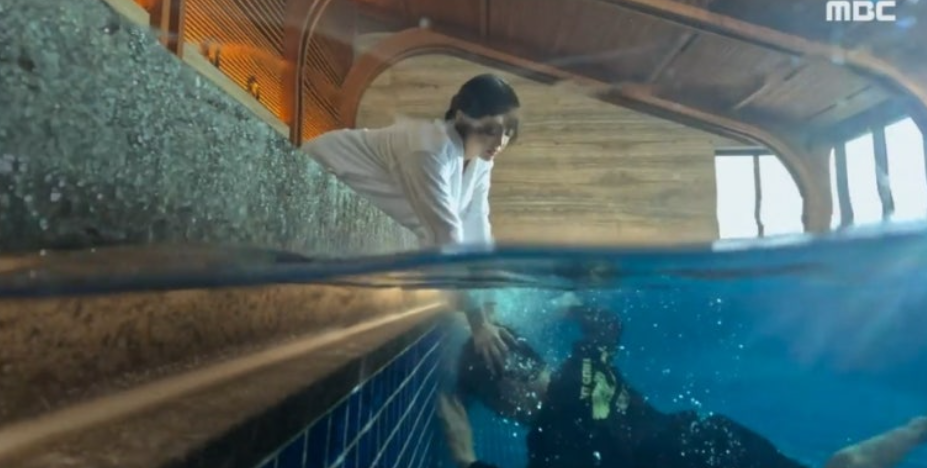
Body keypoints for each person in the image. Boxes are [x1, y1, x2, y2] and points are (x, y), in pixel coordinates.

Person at [438, 305, 927, 468]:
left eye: (493, 403)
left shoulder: (551, 438)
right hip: (714, 437)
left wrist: (465, 458)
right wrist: (565, 306)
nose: (501, 414)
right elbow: (607, 325)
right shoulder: (582, 363)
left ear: (508, 391)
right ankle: (917, 428)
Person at [301, 73, 521, 372]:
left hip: (357, 203)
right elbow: (447, 235)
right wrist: (478, 323)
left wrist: (490, 309)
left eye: (508, 131)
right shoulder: (428, 148)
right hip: (318, 173)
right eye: (492, 129)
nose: (500, 142)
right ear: (463, 114)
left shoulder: (482, 160)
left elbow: (478, 225)